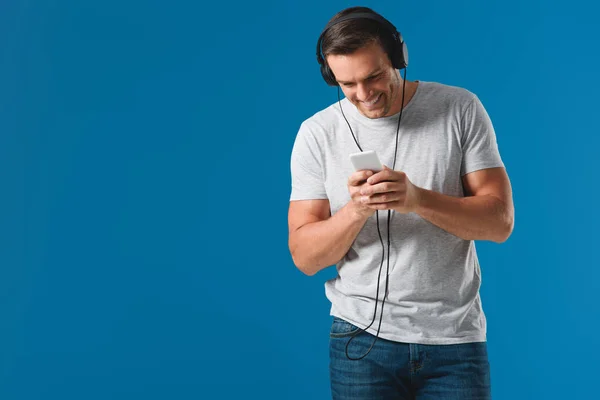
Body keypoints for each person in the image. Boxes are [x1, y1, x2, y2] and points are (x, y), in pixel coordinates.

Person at [288, 6, 514, 400]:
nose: (364, 94)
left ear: (397, 56)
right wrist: (357, 209)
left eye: (373, 76)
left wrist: (417, 199)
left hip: (455, 340)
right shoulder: (316, 134)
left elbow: (499, 222)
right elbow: (305, 257)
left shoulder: (459, 108)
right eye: (347, 84)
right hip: (359, 341)